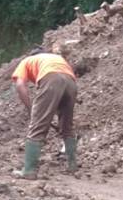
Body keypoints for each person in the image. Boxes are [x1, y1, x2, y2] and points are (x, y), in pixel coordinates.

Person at [11, 50, 78, 178]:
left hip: (51, 78)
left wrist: (31, 108)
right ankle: (72, 166)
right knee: (67, 126)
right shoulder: (55, 58)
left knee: (37, 126)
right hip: (71, 81)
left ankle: (29, 171)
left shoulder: (26, 61)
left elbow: (20, 85)